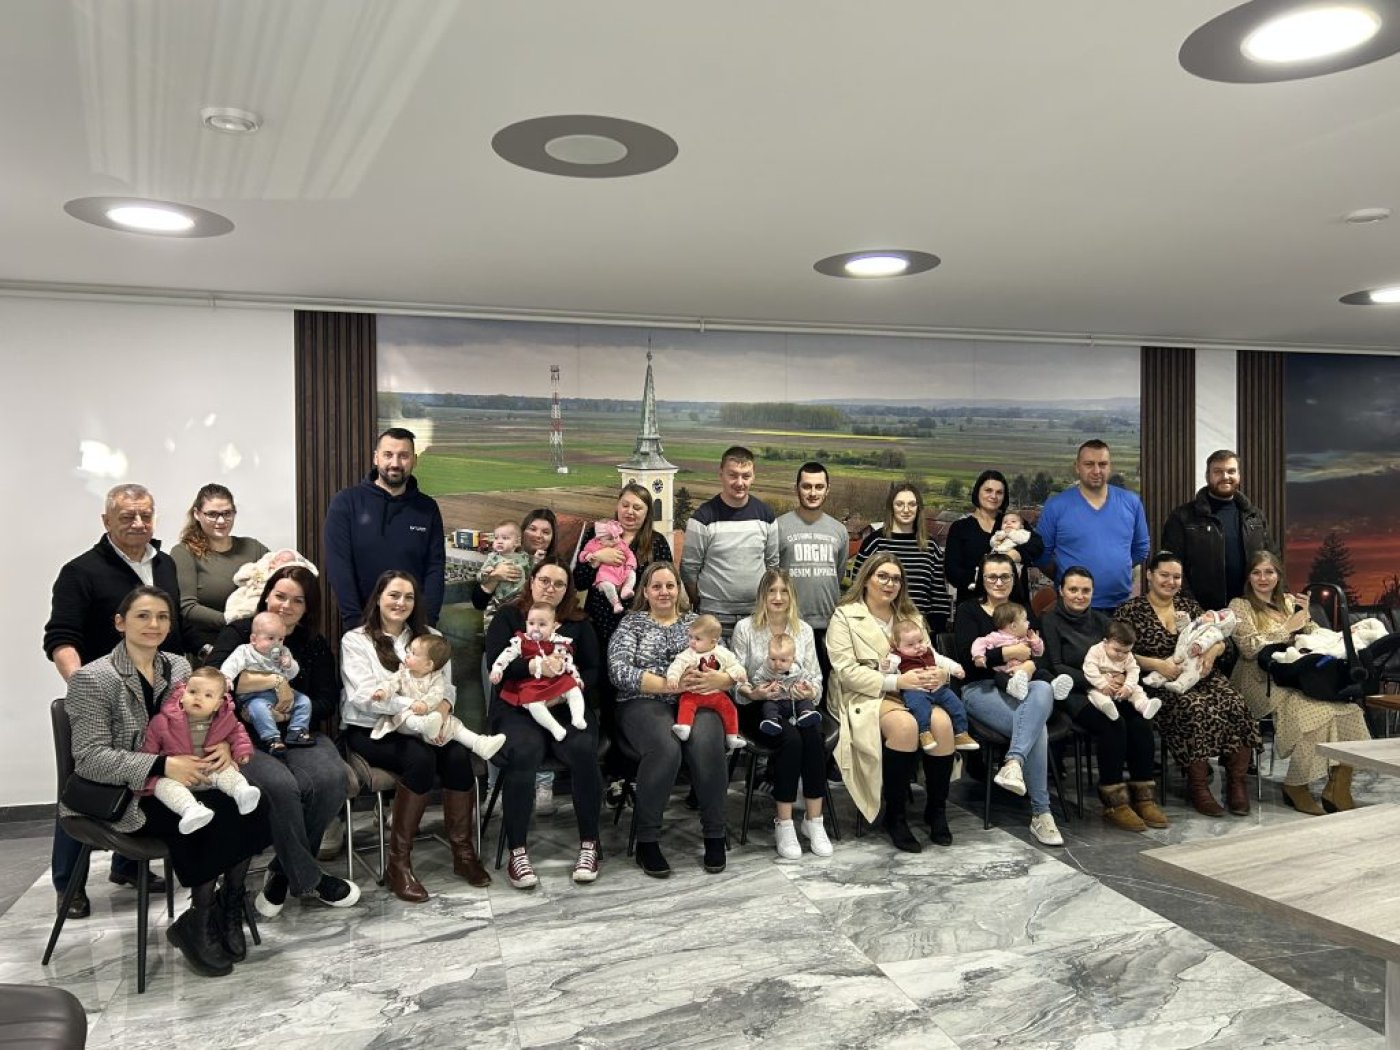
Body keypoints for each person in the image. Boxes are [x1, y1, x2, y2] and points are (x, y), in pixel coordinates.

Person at [63, 586, 270, 977]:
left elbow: (215, 712)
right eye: (142, 615)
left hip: (188, 776)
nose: (154, 624)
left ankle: (229, 905)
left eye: (162, 616)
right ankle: (199, 918)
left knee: (255, 804)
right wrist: (162, 764)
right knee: (215, 814)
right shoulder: (92, 678)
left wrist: (225, 745)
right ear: (120, 622)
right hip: (126, 791)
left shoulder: (177, 667)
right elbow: (89, 759)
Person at [44, 483, 182, 917]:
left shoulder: (165, 564)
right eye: (127, 517)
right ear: (106, 521)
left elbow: (173, 632)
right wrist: (85, 688)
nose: (138, 523)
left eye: (146, 515)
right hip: (103, 696)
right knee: (86, 784)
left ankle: (127, 866)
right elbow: (61, 637)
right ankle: (69, 884)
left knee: (145, 777)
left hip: (155, 693)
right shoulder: (79, 571)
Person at [207, 565, 362, 913]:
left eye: (298, 600)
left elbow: (327, 699)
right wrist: (274, 683)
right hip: (242, 734)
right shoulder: (241, 632)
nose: (286, 606)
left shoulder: (312, 644)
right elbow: (212, 681)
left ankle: (282, 870)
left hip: (297, 731)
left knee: (331, 778)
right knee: (281, 786)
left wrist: (290, 711)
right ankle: (309, 879)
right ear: (267, 596)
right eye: (280, 596)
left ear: (308, 608)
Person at [341, 571, 490, 900]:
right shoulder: (356, 640)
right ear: (379, 598)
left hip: (427, 724)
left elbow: (447, 687)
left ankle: (463, 854)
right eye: (393, 595)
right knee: (419, 758)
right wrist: (417, 707)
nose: (401, 603)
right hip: (373, 728)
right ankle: (399, 864)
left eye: (408, 597)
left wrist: (442, 709)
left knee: (457, 756)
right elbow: (363, 697)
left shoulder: (431, 638)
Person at [610, 561, 734, 877]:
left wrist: (718, 679)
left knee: (707, 741)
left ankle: (715, 834)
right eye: (656, 586)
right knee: (665, 747)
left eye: (670, 585)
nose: (664, 592)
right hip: (642, 702)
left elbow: (730, 665)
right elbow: (619, 670)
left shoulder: (697, 622)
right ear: (645, 591)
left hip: (696, 700)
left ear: (679, 589)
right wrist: (669, 684)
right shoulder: (632, 623)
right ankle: (647, 840)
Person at [1114, 551, 1260, 818]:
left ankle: (1236, 782)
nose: (1170, 582)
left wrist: (1213, 651)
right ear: (1150, 575)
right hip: (1159, 682)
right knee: (1194, 708)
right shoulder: (1130, 610)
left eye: (1176, 577)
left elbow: (1220, 637)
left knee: (1236, 703)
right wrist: (1158, 665)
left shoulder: (1190, 607)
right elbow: (1119, 654)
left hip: (1202, 676)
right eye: (1164, 575)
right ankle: (1198, 786)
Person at [485, 559, 603, 888]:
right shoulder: (509, 617)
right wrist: (536, 668)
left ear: (568, 589)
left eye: (559, 583)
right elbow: (497, 666)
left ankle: (589, 844)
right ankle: (518, 851)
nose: (551, 588)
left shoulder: (579, 623)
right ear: (532, 581)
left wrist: (565, 689)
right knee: (524, 751)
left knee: (583, 747)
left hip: (564, 703)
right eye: (545, 580)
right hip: (517, 705)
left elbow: (594, 670)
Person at [827, 554, 957, 851]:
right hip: (867, 693)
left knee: (943, 723)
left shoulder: (911, 616)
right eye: (882, 576)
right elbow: (846, 672)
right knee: (904, 726)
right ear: (866, 579)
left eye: (896, 578)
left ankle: (936, 809)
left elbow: (931, 657)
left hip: (916, 690)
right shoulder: (845, 616)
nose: (889, 584)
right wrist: (896, 682)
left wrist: (940, 675)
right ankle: (895, 816)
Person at [1229, 550, 1369, 816]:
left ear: (1278, 575)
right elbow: (1249, 648)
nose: (1263, 578)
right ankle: (1297, 785)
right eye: (1256, 572)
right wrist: (1288, 628)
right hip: (1259, 679)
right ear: (1248, 577)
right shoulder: (1240, 606)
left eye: (1269, 572)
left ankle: (1339, 785)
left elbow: (1314, 636)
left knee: (1350, 710)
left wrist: (1332, 631)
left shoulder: (1289, 601)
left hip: (1298, 675)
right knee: (1314, 712)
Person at [1039, 567, 1167, 832]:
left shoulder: (1101, 621)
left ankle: (1143, 796)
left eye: (1085, 590)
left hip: (1110, 687)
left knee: (1140, 721)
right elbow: (1056, 666)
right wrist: (1098, 680)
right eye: (1073, 589)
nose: (1079, 595)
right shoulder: (1049, 621)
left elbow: (1121, 655)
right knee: (1112, 725)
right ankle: (1114, 801)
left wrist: (1120, 678)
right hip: (1073, 691)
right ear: (1061, 590)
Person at [955, 553, 1064, 846]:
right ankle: (1042, 813)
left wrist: (1028, 666)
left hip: (1024, 687)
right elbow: (967, 660)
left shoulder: (1022, 611)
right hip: (980, 690)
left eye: (1005, 576)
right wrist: (1009, 653)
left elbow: (1042, 655)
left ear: (1014, 579)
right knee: (1036, 727)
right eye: (992, 576)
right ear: (982, 579)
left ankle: (1013, 761)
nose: (999, 582)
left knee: (1044, 689)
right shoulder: (968, 610)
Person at [574, 485, 672, 799]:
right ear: (617, 506)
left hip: (641, 639)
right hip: (601, 632)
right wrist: (596, 559)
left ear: (647, 514)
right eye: (626, 505)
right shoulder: (599, 536)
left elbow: (666, 585)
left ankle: (639, 772)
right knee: (608, 702)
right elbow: (578, 581)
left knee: (638, 703)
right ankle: (615, 774)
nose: (630, 512)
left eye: (638, 508)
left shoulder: (656, 543)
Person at [731, 568, 832, 859]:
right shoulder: (745, 629)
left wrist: (808, 691)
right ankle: (784, 823)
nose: (777, 597)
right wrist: (755, 693)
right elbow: (736, 679)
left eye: (784, 591)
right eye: (771, 591)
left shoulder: (804, 630)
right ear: (762, 595)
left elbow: (816, 678)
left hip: (798, 704)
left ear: (792, 596)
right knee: (792, 741)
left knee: (812, 736)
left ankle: (814, 821)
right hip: (760, 707)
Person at [478, 508, 561, 814]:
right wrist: (493, 578)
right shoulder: (499, 559)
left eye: (546, 531)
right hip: (500, 648)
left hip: (541, 653)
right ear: (520, 533)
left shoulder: (549, 566)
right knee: (497, 715)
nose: (538, 535)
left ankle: (543, 783)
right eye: (533, 529)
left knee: (543, 714)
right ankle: (495, 786)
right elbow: (478, 598)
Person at [324, 427, 446, 628]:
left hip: (414, 627)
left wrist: (427, 623)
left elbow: (435, 568)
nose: (395, 463)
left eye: (403, 456)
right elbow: (339, 567)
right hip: (362, 624)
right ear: (376, 458)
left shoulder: (427, 508)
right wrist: (356, 624)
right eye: (388, 455)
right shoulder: (346, 502)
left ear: (414, 460)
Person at [139, 667, 262, 833]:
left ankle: (242, 792)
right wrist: (152, 771)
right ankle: (191, 810)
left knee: (227, 771)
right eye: (192, 692)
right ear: (182, 694)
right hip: (176, 776)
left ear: (218, 704)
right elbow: (148, 750)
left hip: (208, 769)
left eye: (208, 695)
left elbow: (237, 733)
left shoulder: (225, 719)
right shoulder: (162, 721)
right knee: (162, 786)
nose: (198, 697)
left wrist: (241, 751)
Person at [1036, 440, 1150, 610]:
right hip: (1072, 609)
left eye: (1102, 464)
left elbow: (1141, 550)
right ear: (1077, 467)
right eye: (1089, 464)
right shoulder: (1056, 506)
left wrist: (1116, 568)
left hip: (1120, 606)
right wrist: (1067, 578)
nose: (1097, 471)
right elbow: (1041, 555)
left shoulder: (1131, 503)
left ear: (1110, 466)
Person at [1161, 450, 1278, 612]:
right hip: (1202, 612)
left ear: (1239, 475)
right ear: (1207, 476)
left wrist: (1279, 600)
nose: (1225, 476)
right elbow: (1171, 566)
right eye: (1218, 471)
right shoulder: (1183, 517)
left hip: (1251, 610)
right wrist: (1192, 608)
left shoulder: (1254, 516)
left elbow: (1273, 560)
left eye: (1231, 471)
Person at [680, 446, 779, 634]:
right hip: (713, 616)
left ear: (754, 476)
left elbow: (772, 565)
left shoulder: (766, 516)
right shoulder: (702, 518)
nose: (740, 483)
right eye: (733, 475)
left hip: (757, 614)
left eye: (746, 476)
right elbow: (689, 569)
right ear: (721, 475)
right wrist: (703, 603)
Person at [170, 483, 269, 657]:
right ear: (197, 514)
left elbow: (279, 580)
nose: (221, 521)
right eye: (212, 514)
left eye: (227, 513)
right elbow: (187, 607)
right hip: (211, 649)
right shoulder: (184, 553)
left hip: (257, 646)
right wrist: (233, 621)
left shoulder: (253, 548)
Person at [370, 634, 506, 760]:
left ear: (428, 664)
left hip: (432, 716)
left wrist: (426, 706)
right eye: (408, 651)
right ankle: (426, 725)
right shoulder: (403, 674)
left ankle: (480, 744)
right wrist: (382, 691)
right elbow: (391, 683)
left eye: (413, 653)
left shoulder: (437, 679)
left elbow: (436, 695)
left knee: (454, 725)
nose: (407, 655)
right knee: (408, 718)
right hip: (407, 719)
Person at [775, 461, 849, 679]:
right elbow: (771, 577)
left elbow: (838, 574)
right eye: (807, 486)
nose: (813, 492)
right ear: (796, 488)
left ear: (827, 489)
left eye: (819, 487)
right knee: (788, 686)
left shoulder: (839, 530)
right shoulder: (778, 527)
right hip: (789, 625)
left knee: (824, 687)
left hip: (828, 627)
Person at [850, 484, 953, 635]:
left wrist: (934, 631)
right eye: (899, 504)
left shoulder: (930, 545)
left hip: (918, 632)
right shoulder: (875, 542)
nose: (906, 510)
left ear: (918, 508)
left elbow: (938, 595)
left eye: (912, 504)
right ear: (891, 508)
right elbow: (857, 585)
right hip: (877, 629)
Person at [489, 603, 589, 742]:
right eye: (531, 623)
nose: (535, 628)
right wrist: (497, 669)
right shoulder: (521, 641)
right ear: (526, 623)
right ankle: (555, 728)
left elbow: (568, 662)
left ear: (553, 626)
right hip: (531, 683)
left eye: (542, 624)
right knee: (534, 704)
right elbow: (505, 656)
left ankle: (577, 717)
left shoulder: (558, 642)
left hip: (555, 680)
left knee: (573, 689)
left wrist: (576, 678)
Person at [218, 610, 315, 753]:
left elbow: (293, 674)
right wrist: (226, 677)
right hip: (254, 696)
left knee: (304, 701)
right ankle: (271, 738)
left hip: (280, 695)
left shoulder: (284, 653)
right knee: (258, 708)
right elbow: (231, 665)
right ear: (254, 639)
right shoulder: (245, 651)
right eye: (270, 638)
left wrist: (289, 665)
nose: (277, 644)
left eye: (280, 639)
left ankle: (297, 730)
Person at [944, 471, 1043, 606]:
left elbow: (1037, 545)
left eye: (999, 492)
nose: (993, 496)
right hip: (974, 605)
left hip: (1012, 606)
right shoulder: (960, 528)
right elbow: (952, 571)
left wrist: (1017, 555)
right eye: (988, 490)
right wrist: (986, 579)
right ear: (977, 492)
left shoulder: (1012, 522)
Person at [884, 618, 974, 752]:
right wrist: (885, 666)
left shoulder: (929, 651)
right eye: (910, 645)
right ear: (897, 646)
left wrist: (955, 668)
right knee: (920, 708)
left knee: (957, 705)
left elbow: (943, 661)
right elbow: (887, 670)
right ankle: (924, 733)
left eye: (920, 641)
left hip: (939, 689)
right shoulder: (896, 656)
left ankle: (962, 734)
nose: (918, 646)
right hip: (915, 690)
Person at [664, 614, 748, 749]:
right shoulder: (689, 654)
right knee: (686, 703)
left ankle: (732, 737)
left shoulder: (723, 653)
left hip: (716, 694)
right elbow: (676, 666)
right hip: (693, 693)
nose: (692, 642)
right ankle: (684, 728)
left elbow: (735, 665)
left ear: (713, 642)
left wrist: (740, 674)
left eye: (697, 639)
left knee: (730, 709)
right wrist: (673, 678)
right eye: (690, 637)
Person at [1082, 621, 1161, 722]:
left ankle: (1144, 706)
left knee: (1136, 689)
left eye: (1126, 652)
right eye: (1117, 650)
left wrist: (1128, 686)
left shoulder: (1128, 656)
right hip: (1100, 684)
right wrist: (1102, 684)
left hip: (1122, 686)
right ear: (1105, 642)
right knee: (1095, 694)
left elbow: (1133, 670)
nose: (1121, 655)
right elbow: (1089, 668)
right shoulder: (1096, 651)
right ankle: (1107, 707)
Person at [750, 634, 820, 735]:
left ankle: (806, 714)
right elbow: (756, 681)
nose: (777, 664)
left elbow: (808, 679)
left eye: (783, 660)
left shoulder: (797, 669)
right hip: (776, 700)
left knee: (806, 702)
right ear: (768, 656)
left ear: (793, 659)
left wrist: (805, 685)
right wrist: (767, 686)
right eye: (773, 659)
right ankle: (772, 721)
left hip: (795, 700)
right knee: (768, 706)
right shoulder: (765, 670)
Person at [578, 519, 639, 613]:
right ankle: (615, 603)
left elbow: (630, 555)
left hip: (622, 571)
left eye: (617, 537)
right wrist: (590, 556)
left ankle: (627, 589)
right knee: (607, 586)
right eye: (610, 539)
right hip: (606, 575)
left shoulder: (621, 543)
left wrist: (630, 565)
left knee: (632, 574)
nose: (615, 541)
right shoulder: (594, 545)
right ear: (599, 540)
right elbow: (582, 554)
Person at [477, 521, 533, 607]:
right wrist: (488, 573)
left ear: (517, 542)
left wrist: (536, 559)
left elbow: (532, 572)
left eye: (505, 538)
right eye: (496, 538)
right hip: (500, 600)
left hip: (521, 598)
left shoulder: (524, 557)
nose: (499, 541)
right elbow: (479, 577)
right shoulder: (493, 558)